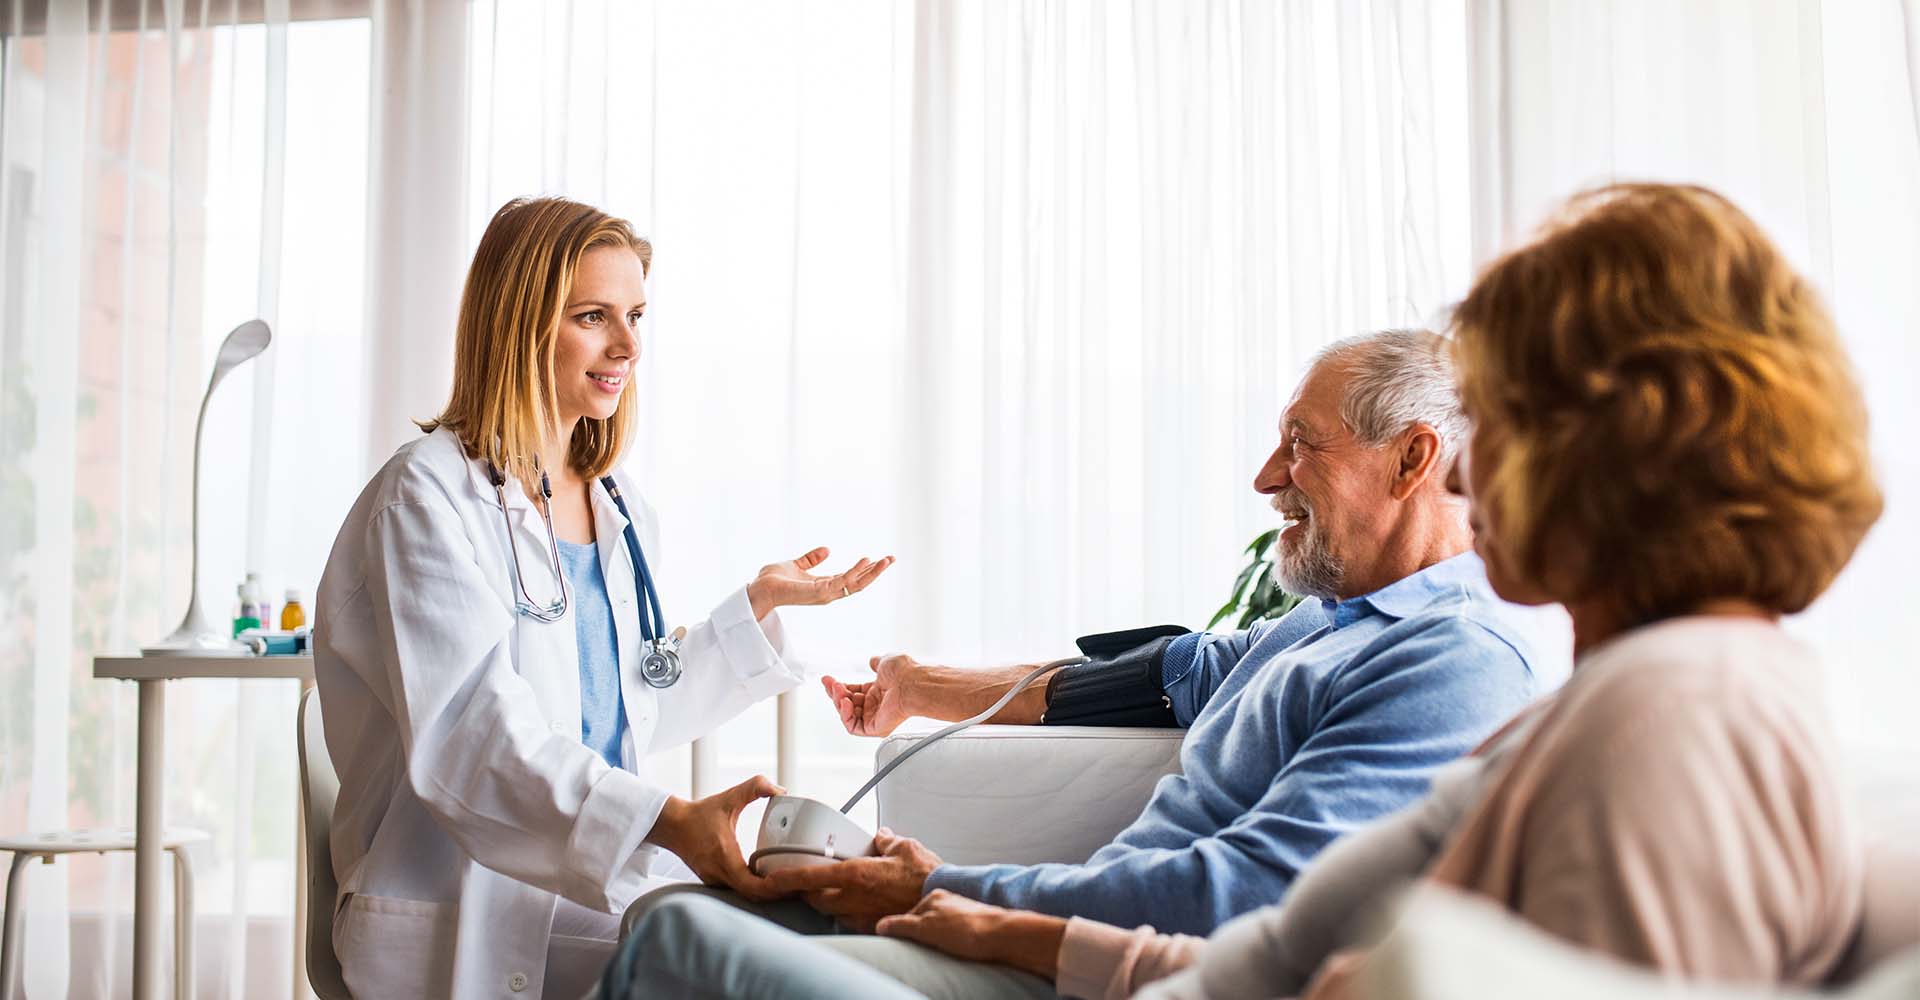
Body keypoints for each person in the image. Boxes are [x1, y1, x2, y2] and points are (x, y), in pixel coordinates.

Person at [794, 183, 1882, 1000]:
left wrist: (975, 897)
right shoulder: (1603, 697)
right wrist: (996, 907)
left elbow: (1266, 922)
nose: (1467, 472)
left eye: (1496, 423)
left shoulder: (1651, 712)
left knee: (693, 937)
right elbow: (1276, 954)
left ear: (1614, 445)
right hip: (1112, 963)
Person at [602, 327, 1571, 997]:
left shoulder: (1453, 659)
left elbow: (1236, 898)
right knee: (666, 911)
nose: (1267, 477)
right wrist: (923, 689)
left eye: (1300, 445)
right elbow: (1174, 673)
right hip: (1057, 943)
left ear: (1412, 461)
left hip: (1094, 974)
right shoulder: (1334, 620)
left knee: (683, 941)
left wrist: (951, 887)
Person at [313, 196, 893, 1000]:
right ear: (518, 326)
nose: (627, 345)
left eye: (635, 315)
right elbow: (475, 742)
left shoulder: (617, 504)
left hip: (584, 885)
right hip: (462, 906)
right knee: (761, 975)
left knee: (824, 946)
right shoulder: (425, 498)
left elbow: (633, 709)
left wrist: (753, 609)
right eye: (594, 316)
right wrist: (668, 821)